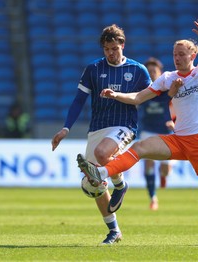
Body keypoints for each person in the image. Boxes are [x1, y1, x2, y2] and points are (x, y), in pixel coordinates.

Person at [77, 19, 198, 245]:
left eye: (182, 54)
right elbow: (138, 97)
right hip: (179, 139)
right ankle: (102, 173)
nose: (177, 57)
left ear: (192, 55)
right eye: (175, 54)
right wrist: (116, 95)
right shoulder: (168, 78)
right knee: (141, 147)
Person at [51, 24, 152, 245]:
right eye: (107, 49)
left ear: (122, 45)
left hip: (124, 126)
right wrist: (66, 128)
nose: (111, 53)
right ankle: (114, 230)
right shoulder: (93, 69)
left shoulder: (138, 70)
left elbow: (150, 96)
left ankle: (120, 184)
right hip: (98, 128)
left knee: (102, 153)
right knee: (94, 182)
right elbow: (79, 100)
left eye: (115, 48)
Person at [139, 57, 174, 210]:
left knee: (166, 169)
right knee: (148, 164)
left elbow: (179, 105)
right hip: (148, 130)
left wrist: (175, 121)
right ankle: (153, 197)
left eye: (154, 71)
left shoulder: (167, 90)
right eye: (149, 71)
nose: (152, 74)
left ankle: (163, 176)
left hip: (166, 132)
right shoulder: (143, 90)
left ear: (160, 73)